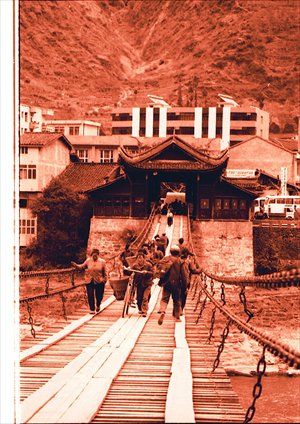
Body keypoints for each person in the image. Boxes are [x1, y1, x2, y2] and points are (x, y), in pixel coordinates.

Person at [157, 245, 188, 325]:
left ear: (170, 251)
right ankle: (177, 317)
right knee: (176, 300)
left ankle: (163, 311)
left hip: (166, 283)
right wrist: (185, 287)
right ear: (178, 252)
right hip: (176, 284)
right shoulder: (180, 261)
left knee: (164, 299)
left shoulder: (166, 259)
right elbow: (184, 276)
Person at [71, 248, 107, 314]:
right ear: (91, 255)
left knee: (99, 295)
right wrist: (76, 265)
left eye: (96, 255)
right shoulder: (88, 261)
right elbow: (82, 267)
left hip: (99, 281)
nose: (94, 257)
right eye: (93, 255)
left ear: (98, 255)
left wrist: (105, 280)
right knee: (90, 294)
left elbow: (105, 272)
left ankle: (98, 305)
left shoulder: (102, 262)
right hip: (89, 280)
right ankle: (92, 309)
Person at [127, 251, 154, 317]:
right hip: (139, 284)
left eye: (141, 258)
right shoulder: (135, 266)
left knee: (145, 297)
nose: (139, 260)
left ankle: (144, 311)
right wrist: (127, 269)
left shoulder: (148, 265)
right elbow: (129, 272)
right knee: (139, 298)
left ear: (144, 259)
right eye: (138, 258)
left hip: (147, 283)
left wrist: (147, 272)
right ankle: (140, 308)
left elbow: (153, 273)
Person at [180, 247, 201, 313]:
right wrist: (201, 269)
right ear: (187, 254)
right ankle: (181, 309)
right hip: (186, 281)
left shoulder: (177, 260)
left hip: (176, 281)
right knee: (183, 295)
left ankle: (177, 309)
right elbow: (194, 270)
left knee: (177, 295)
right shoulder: (189, 262)